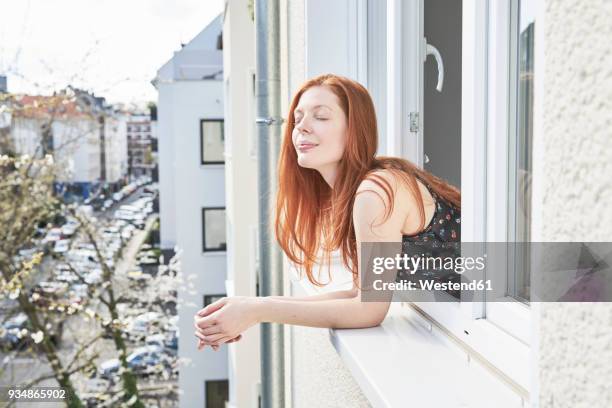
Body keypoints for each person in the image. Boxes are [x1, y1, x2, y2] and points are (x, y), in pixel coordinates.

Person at [194, 73, 460, 351]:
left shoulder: (376, 191)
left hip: (495, 322)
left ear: (354, 129)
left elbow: (368, 310)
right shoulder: (361, 189)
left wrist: (257, 312)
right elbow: (358, 293)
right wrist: (249, 307)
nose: (302, 128)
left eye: (320, 117)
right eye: (297, 119)